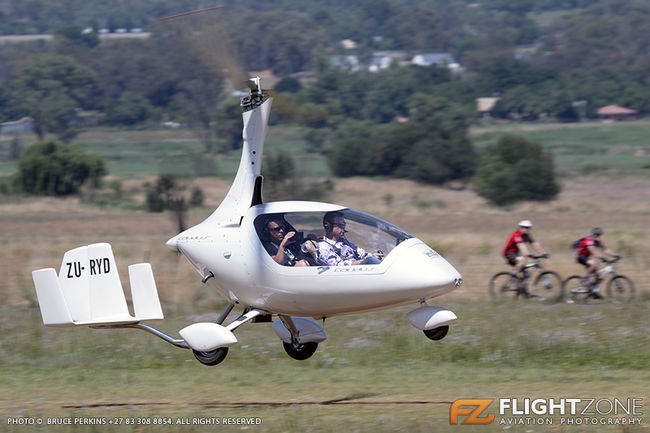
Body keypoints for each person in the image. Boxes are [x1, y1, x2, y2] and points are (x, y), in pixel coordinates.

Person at [317, 211, 383, 266]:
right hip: (345, 276)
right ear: (328, 226)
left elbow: (363, 254)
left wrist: (375, 256)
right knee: (370, 260)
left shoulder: (344, 242)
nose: (344, 226)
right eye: (340, 223)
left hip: (358, 271)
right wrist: (365, 260)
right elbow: (336, 266)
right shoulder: (323, 246)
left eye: (344, 223)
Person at [575, 227, 617, 298]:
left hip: (586, 258)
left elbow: (605, 250)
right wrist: (601, 258)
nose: (597, 236)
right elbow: (593, 251)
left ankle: (593, 293)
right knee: (594, 264)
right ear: (593, 234)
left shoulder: (597, 242)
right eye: (596, 234)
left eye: (598, 235)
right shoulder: (588, 240)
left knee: (597, 275)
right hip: (580, 256)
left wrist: (615, 255)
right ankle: (585, 279)